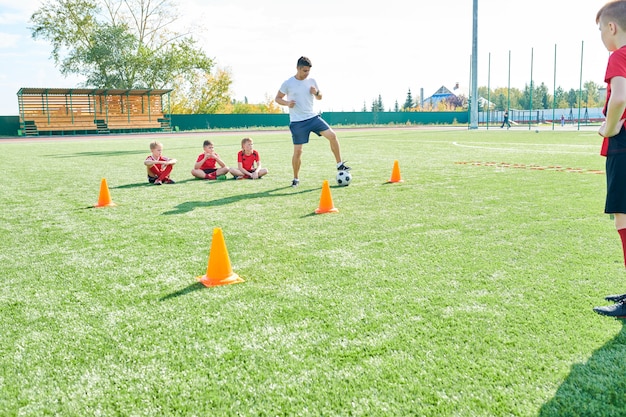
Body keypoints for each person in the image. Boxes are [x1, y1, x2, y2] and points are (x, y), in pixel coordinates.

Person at [594, 0, 626, 318]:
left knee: (624, 218)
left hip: (623, 143)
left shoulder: (619, 55)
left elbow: (619, 97)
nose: (602, 37)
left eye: (601, 30)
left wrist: (610, 127)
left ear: (612, 27)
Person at [275, 56, 350, 187]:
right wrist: (287, 103)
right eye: (304, 70)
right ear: (298, 68)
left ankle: (339, 165)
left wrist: (317, 92)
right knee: (298, 151)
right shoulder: (288, 83)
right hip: (297, 122)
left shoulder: (312, 81)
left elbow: (320, 97)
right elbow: (277, 98)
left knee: (332, 136)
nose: (306, 73)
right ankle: (296, 178)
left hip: (313, 118)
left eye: (308, 71)